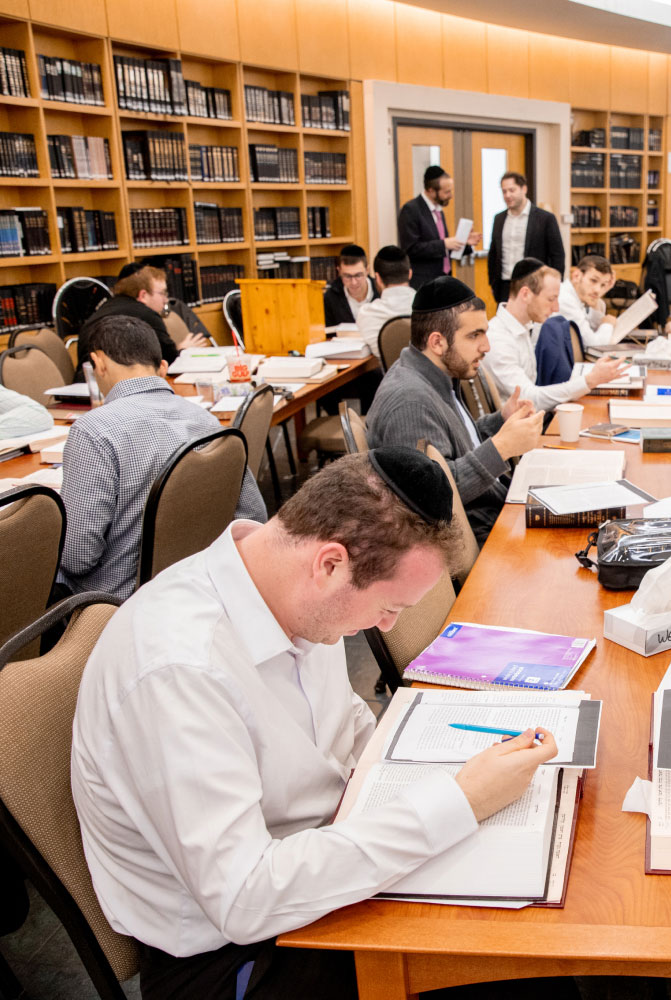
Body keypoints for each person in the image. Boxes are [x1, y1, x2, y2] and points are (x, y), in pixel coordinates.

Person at [72, 447, 559, 1000]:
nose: (386, 624)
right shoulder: (179, 670)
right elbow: (244, 900)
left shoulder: (294, 596)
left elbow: (344, 726)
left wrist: (448, 774)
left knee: (522, 935)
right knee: (514, 969)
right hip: (234, 955)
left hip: (318, 865)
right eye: (389, 606)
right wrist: (457, 802)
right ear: (330, 563)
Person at [59, 314, 266, 601]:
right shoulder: (207, 422)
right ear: (163, 366)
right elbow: (253, 517)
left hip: (114, 605)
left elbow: (78, 558)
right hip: (200, 588)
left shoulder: (93, 432)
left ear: (99, 363)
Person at [367, 276, 544, 543]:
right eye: (475, 335)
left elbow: (455, 441)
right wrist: (501, 449)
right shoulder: (410, 402)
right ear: (437, 342)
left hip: (489, 513)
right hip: (473, 536)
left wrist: (501, 420)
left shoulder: (434, 374)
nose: (486, 347)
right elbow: (428, 499)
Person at [483, 258, 625, 410]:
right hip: (518, 426)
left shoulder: (523, 328)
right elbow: (529, 399)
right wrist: (590, 380)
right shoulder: (498, 338)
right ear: (525, 294)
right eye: (551, 299)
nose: (556, 308)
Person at [76, 264, 205, 379]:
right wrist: (183, 350)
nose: (166, 300)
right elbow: (169, 361)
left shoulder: (109, 307)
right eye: (162, 294)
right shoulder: (146, 314)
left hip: (85, 380)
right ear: (143, 295)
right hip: (111, 385)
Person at [486, 171, 565, 304]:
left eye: (512, 190)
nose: (507, 195)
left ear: (524, 189)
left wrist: (555, 286)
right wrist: (493, 283)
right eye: (504, 191)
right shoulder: (498, 219)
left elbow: (557, 255)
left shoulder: (545, 218)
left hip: (534, 284)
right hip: (505, 285)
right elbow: (493, 253)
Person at [398, 165, 481, 289]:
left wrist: (464, 243)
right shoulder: (411, 210)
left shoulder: (438, 211)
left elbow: (442, 250)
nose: (451, 195)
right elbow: (411, 249)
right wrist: (444, 244)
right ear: (431, 190)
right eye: (446, 192)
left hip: (443, 279)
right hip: (423, 282)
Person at [355, 245, 415, 363]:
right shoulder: (431, 308)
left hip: (393, 380)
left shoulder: (367, 314)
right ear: (410, 274)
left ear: (377, 278)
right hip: (432, 380)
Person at [556, 254, 619, 349]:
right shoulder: (565, 300)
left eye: (603, 285)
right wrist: (608, 324)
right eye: (593, 280)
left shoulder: (576, 297)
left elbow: (593, 328)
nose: (598, 290)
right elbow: (594, 345)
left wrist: (598, 298)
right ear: (577, 276)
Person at [321, 244, 377, 327]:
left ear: (367, 270)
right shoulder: (330, 298)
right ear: (339, 271)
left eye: (358, 275)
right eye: (347, 276)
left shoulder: (381, 292)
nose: (353, 282)